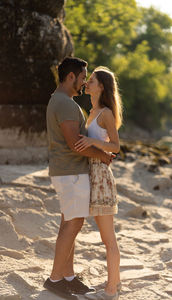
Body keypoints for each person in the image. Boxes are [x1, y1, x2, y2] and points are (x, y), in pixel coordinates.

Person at [43, 57, 112, 300]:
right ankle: (54, 279)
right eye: (83, 77)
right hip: (70, 172)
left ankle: (68, 277)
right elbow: (75, 144)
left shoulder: (61, 101)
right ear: (70, 76)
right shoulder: (65, 104)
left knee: (68, 223)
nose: (84, 83)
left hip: (68, 172)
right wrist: (102, 155)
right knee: (73, 225)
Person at [74, 67, 123, 300]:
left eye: (91, 81)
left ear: (101, 86)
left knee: (108, 238)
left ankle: (111, 290)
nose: (87, 84)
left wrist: (91, 141)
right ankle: (116, 282)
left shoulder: (105, 113)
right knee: (106, 237)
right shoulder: (92, 111)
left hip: (101, 177)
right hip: (90, 174)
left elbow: (115, 146)